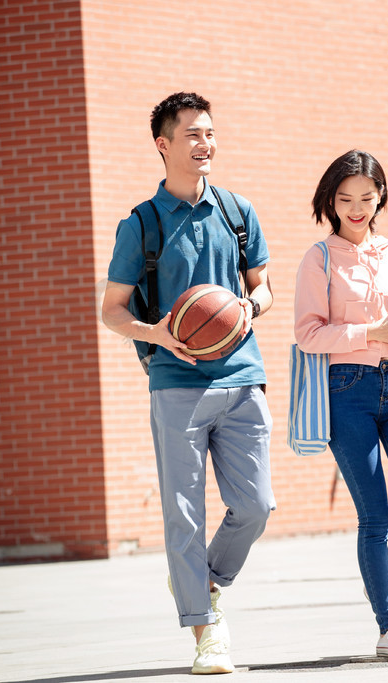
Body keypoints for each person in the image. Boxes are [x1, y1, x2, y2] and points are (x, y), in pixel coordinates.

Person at [101, 92, 275, 675]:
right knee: (184, 514)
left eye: (210, 133)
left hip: (243, 376)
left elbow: (263, 286)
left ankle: (202, 581)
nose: (206, 144)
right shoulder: (141, 224)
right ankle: (207, 635)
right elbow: (112, 310)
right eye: (193, 135)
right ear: (164, 145)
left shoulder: (237, 211)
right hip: (174, 383)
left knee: (256, 505)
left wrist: (250, 307)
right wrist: (157, 332)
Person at [294, 150, 388, 658]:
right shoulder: (318, 258)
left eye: (366, 196)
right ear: (330, 200)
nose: (356, 207)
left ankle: (382, 586)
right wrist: (372, 330)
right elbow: (308, 334)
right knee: (374, 516)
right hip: (347, 392)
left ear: (380, 195)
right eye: (345, 198)